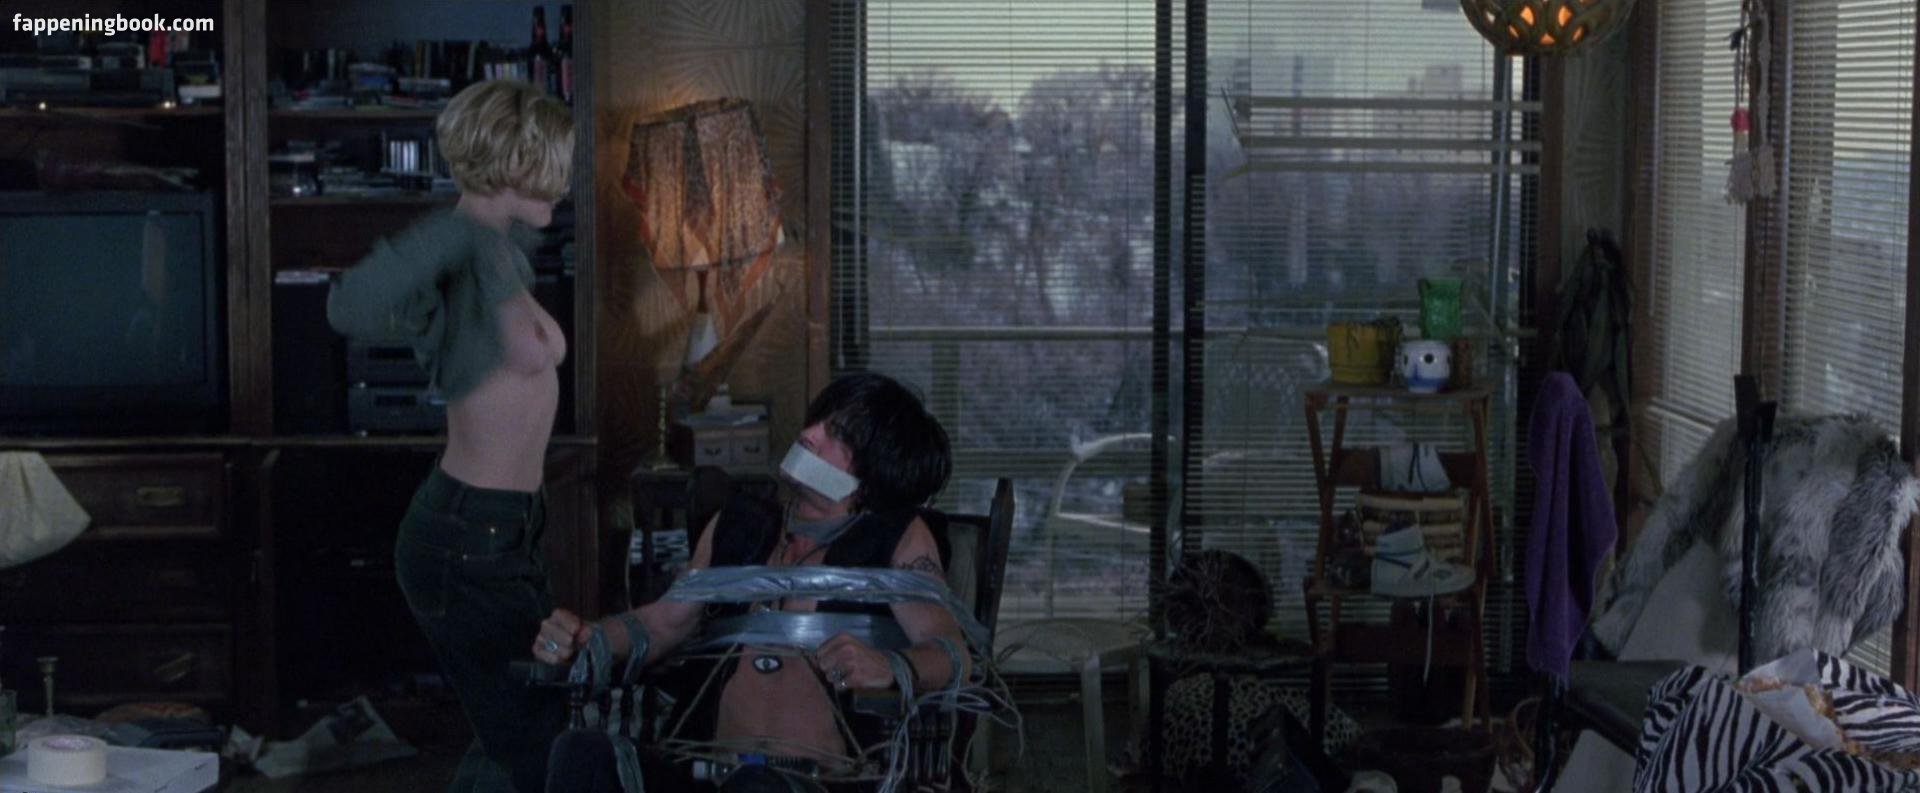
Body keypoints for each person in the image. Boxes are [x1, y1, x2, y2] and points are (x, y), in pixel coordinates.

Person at [533, 373, 969, 791]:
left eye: (835, 434)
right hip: (707, 774)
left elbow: (951, 653)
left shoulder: (898, 537)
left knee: (757, 787)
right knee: (581, 753)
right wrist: (589, 637)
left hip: (817, 783)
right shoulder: (740, 527)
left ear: (875, 469)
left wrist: (891, 667)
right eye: (816, 421)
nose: (808, 434)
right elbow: (661, 624)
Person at [327, 79, 574, 793]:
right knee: (531, 735)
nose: (563, 184)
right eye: (551, 166)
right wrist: (455, 232)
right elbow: (349, 305)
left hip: (507, 529)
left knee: (521, 727)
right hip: (467, 536)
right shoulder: (462, 242)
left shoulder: (500, 253)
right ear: (512, 163)